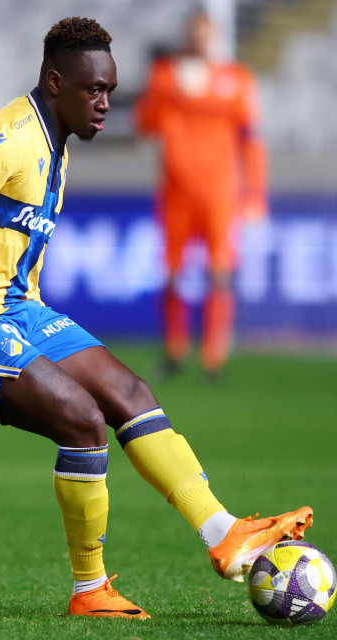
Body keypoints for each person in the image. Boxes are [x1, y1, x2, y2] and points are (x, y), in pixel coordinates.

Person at [0, 17, 310, 619]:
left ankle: (223, 533)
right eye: (93, 90)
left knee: (130, 392)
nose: (105, 104)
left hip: (15, 307)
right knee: (82, 420)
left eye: (111, 91)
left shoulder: (56, 145)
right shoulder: (4, 138)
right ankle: (89, 589)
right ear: (55, 82)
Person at [134, 11, 269, 380]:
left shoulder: (237, 79)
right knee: (172, 271)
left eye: (207, 34)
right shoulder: (165, 76)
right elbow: (144, 124)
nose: (200, 40)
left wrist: (255, 193)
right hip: (176, 189)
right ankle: (174, 349)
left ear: (217, 37)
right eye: (195, 33)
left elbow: (251, 140)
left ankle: (214, 356)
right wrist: (167, 90)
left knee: (220, 271)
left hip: (220, 191)